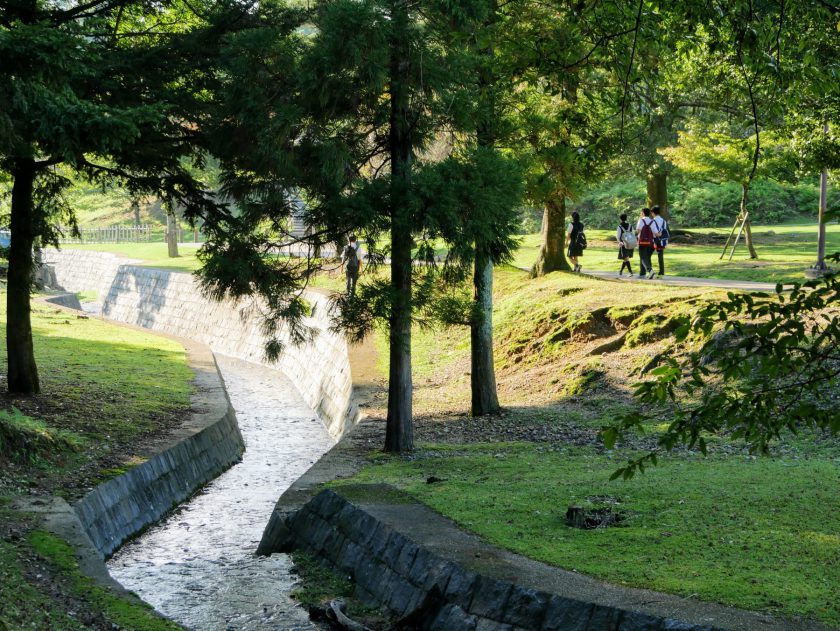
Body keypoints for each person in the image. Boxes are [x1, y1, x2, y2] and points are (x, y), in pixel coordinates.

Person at [636, 207, 657, 279]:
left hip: (642, 242)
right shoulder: (652, 221)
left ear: (643, 213)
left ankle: (650, 271)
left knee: (642, 258)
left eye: (641, 212)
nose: (640, 214)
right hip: (650, 242)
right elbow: (655, 233)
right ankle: (642, 274)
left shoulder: (641, 220)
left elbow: (638, 231)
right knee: (646, 258)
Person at [651, 206, 668, 276]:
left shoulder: (652, 221)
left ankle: (650, 270)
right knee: (660, 256)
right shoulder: (664, 221)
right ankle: (661, 272)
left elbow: (652, 231)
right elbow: (664, 231)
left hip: (653, 240)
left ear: (653, 212)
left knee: (647, 255)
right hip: (662, 241)